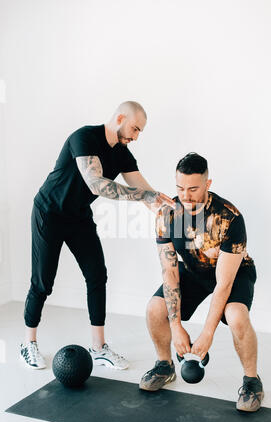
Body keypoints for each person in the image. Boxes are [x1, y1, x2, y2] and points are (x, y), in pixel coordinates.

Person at [20, 101, 175, 371]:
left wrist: (168, 212)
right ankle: (28, 342)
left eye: (140, 132)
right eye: (135, 128)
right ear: (121, 117)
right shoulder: (84, 137)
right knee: (43, 283)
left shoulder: (122, 152)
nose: (135, 136)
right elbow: (97, 183)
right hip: (49, 212)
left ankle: (99, 348)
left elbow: (143, 188)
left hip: (78, 216)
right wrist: (143, 196)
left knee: (97, 275)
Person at [139, 152, 264, 412]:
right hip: (193, 270)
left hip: (234, 273)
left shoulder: (230, 218)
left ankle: (252, 382)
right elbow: (170, 273)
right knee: (155, 308)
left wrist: (207, 334)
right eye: (180, 188)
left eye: (193, 189)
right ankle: (165, 366)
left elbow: (224, 284)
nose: (186, 195)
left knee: (236, 315)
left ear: (208, 185)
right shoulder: (167, 215)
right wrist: (175, 326)